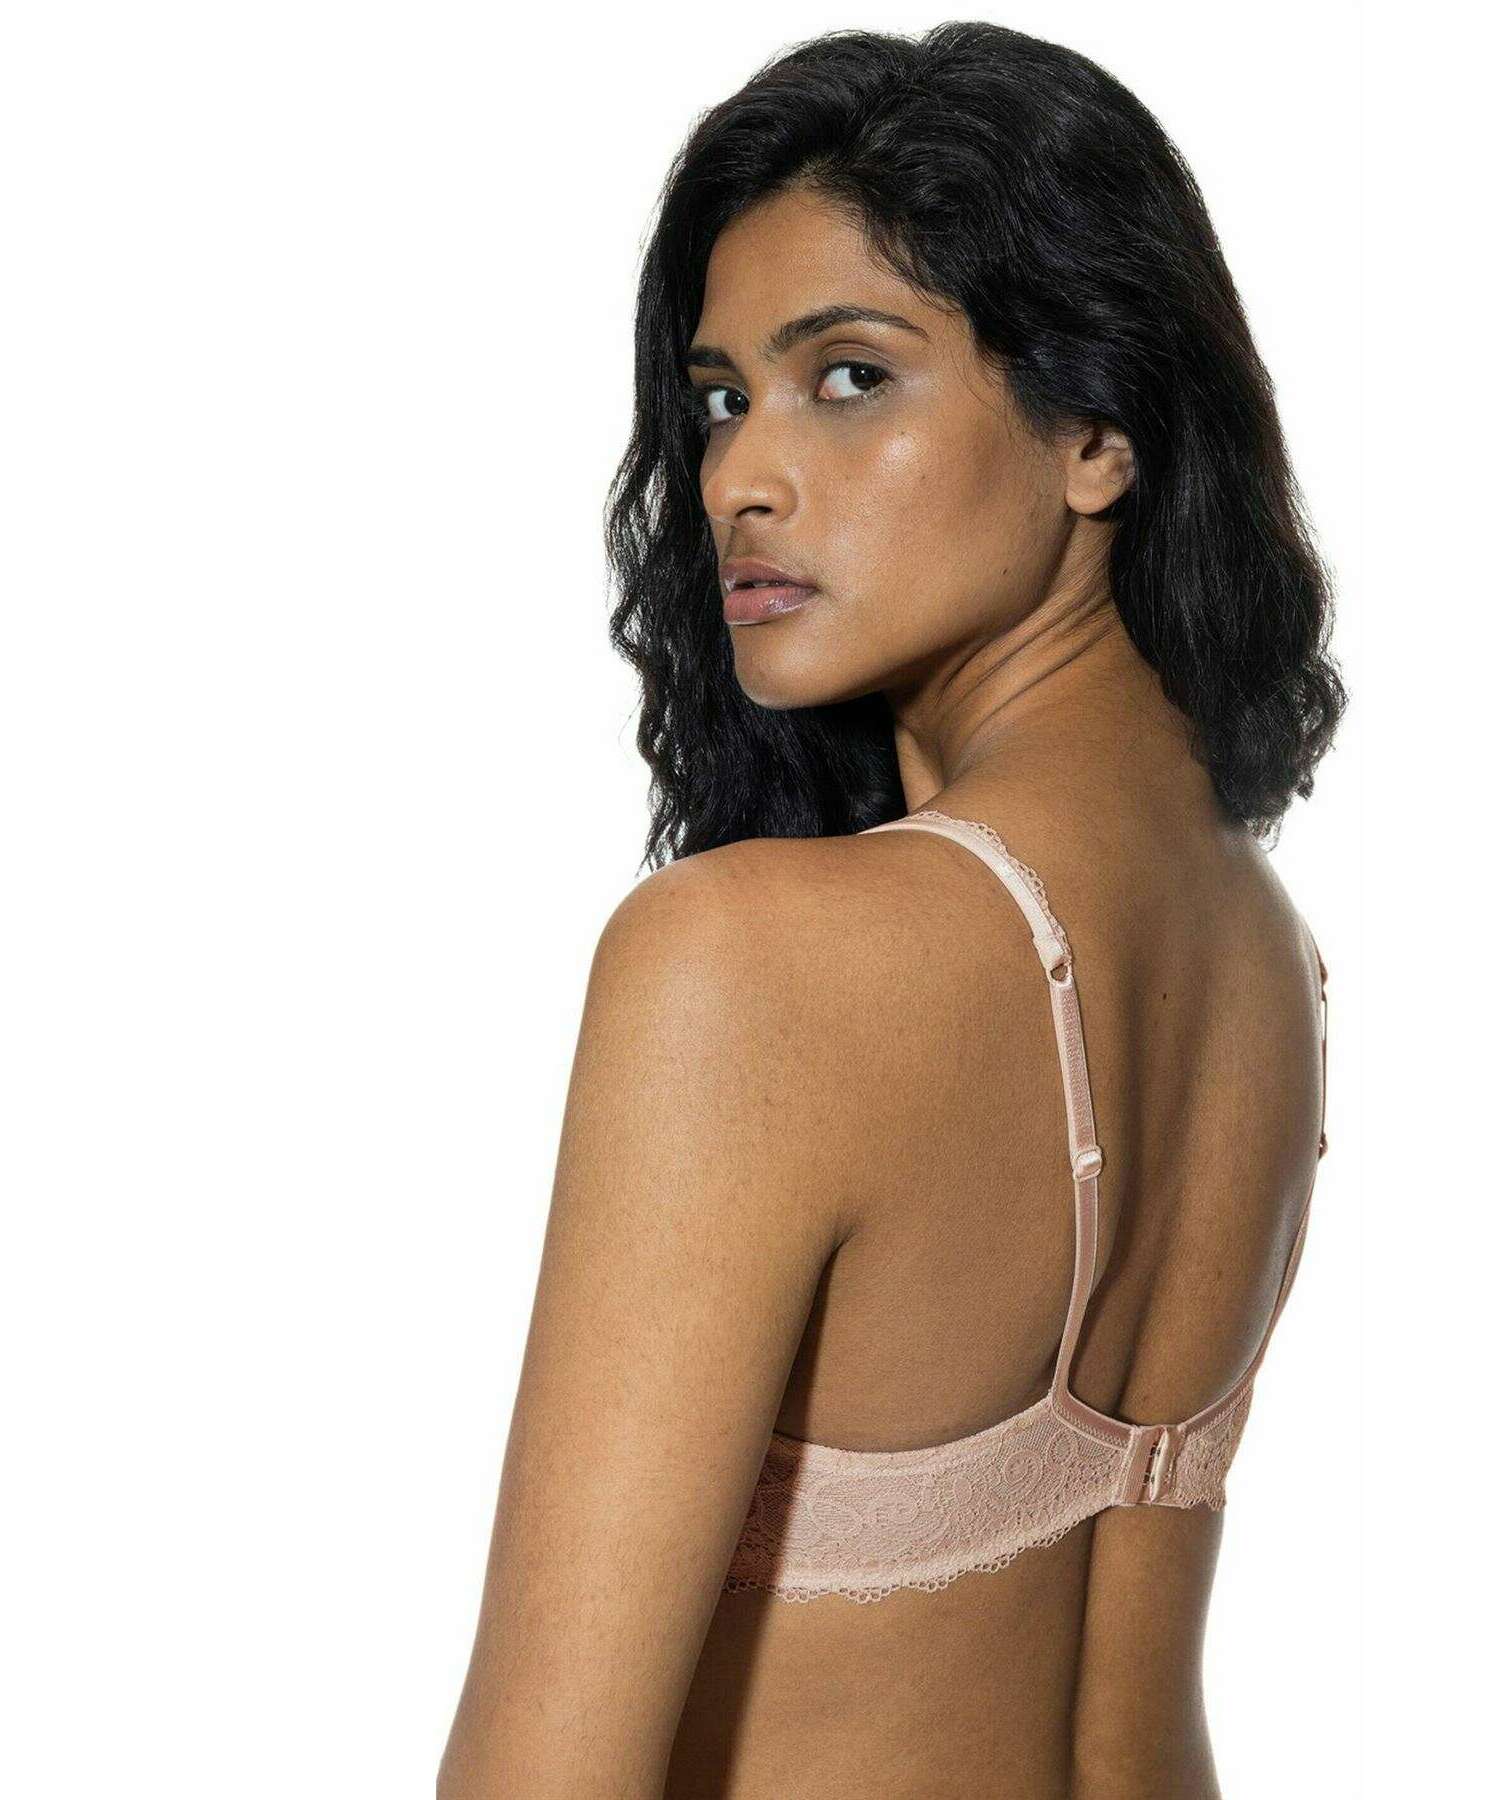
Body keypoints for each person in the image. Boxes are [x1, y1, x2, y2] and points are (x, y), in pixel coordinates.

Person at [439, 22, 1345, 1798]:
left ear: (1099, 429)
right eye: (721, 400)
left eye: (849, 377)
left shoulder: (750, 961)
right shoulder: (1266, 957)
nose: (737, 478)